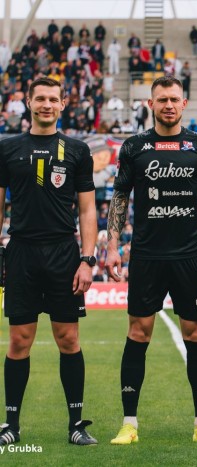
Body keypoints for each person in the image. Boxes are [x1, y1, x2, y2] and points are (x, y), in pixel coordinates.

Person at [105, 76, 197, 445]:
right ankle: (129, 424)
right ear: (150, 104)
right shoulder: (134, 147)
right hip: (147, 254)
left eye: (174, 99)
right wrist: (112, 245)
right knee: (138, 332)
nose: (168, 105)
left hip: (189, 255)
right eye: (161, 99)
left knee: (195, 333)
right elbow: (120, 197)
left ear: (184, 104)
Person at [0, 77, 98, 446]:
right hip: (22, 252)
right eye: (40, 98)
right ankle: (11, 426)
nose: (46, 104)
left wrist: (87, 259)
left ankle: (76, 425)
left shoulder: (77, 150)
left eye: (52, 99)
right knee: (19, 341)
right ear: (28, 102)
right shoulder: (7, 148)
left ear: (62, 104)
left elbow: (87, 210)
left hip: (63, 254)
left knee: (68, 339)